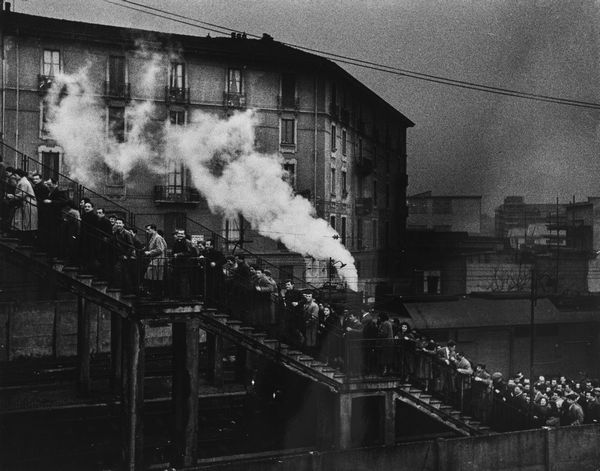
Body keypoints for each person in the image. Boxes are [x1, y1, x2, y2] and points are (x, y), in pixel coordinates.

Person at [6, 168, 38, 243]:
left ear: (19, 175)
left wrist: (12, 196)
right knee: (24, 223)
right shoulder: (23, 181)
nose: (15, 176)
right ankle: (23, 239)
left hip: (28, 205)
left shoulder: (23, 182)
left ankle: (26, 241)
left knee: (26, 224)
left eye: (16, 175)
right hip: (25, 204)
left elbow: (22, 194)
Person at [111, 218, 136, 293]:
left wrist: (126, 255)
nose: (118, 224)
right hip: (119, 255)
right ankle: (123, 288)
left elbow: (131, 245)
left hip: (125, 255)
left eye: (120, 223)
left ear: (123, 224)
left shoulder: (126, 233)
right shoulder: (116, 233)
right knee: (120, 271)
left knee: (125, 272)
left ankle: (128, 289)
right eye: (117, 223)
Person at [143, 224, 167, 298]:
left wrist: (149, 252)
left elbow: (160, 249)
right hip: (155, 260)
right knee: (153, 277)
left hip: (157, 260)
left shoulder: (157, 237)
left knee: (153, 277)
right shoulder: (154, 237)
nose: (147, 231)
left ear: (153, 229)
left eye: (148, 229)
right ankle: (154, 293)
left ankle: (156, 294)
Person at [171, 228, 194, 299]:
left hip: (185, 265)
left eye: (182, 234)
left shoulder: (187, 242)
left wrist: (178, 255)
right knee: (179, 281)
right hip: (178, 264)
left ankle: (185, 297)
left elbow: (189, 253)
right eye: (179, 234)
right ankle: (180, 296)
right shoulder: (176, 242)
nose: (180, 235)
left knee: (184, 281)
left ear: (184, 235)